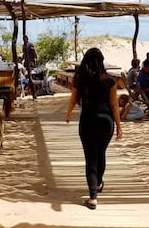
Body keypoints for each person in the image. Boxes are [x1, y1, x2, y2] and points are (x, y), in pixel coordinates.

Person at [65, 47, 122, 210]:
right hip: (106, 122)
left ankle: (93, 197)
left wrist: (68, 114)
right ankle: (98, 183)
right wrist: (118, 125)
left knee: (91, 158)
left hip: (88, 121)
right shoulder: (110, 81)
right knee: (101, 153)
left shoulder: (80, 79)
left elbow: (73, 99)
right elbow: (113, 105)